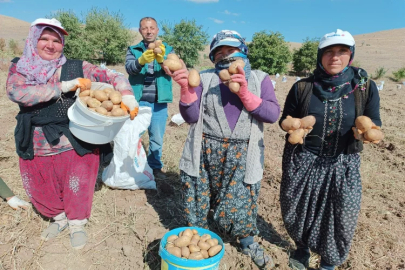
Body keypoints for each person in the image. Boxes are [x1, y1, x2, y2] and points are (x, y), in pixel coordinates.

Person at [6, 18, 138, 250]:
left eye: (56, 41)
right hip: (36, 138)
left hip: (74, 136)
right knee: (40, 182)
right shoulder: (20, 67)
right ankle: (58, 218)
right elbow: (17, 93)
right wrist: (63, 87)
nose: (50, 45)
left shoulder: (76, 66)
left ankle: (77, 222)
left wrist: (126, 93)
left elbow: (111, 75)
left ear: (63, 44)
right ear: (33, 41)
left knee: (79, 180)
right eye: (44, 39)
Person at [165, 30, 281, 269]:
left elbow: (271, 114)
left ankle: (247, 241)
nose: (225, 57)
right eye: (220, 53)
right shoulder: (205, 78)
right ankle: (197, 239)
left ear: (244, 53)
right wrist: (186, 89)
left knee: (241, 200)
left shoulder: (260, 79)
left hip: (243, 152)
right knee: (197, 195)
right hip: (205, 148)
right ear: (213, 59)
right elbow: (191, 116)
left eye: (231, 51)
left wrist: (246, 93)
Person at [279, 29, 381, 270]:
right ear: (320, 56)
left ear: (351, 55)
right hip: (305, 160)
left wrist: (364, 134)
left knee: (341, 217)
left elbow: (374, 122)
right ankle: (301, 249)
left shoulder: (364, 87)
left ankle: (328, 262)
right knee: (296, 210)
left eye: (342, 51)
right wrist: (293, 127)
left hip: (343, 163)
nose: (335, 57)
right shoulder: (303, 87)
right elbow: (285, 119)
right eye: (329, 52)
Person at [125, 17, 173, 180]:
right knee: (134, 135)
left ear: (157, 30)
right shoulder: (133, 49)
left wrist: (163, 60)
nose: (149, 31)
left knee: (157, 137)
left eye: (152, 27)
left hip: (159, 102)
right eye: (145, 28)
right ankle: (131, 165)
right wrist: (141, 60)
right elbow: (129, 69)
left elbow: (173, 70)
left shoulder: (168, 49)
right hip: (139, 100)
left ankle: (155, 167)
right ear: (140, 31)